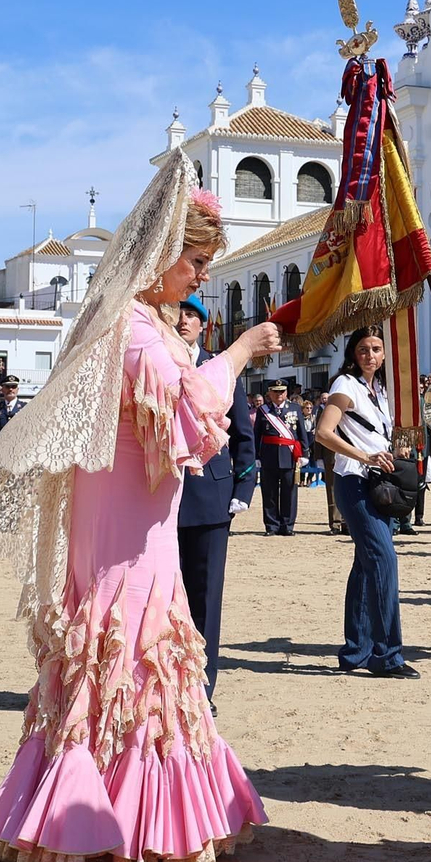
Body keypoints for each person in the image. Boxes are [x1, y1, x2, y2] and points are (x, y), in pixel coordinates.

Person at [0, 157, 276, 862]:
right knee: (132, 658)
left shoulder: (132, 324)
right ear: (163, 254)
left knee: (131, 661)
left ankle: (123, 807)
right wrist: (237, 353)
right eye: (196, 261)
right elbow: (191, 416)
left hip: (136, 525)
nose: (202, 275)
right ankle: (112, 818)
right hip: (128, 536)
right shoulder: (134, 332)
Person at [312, 324, 419, 679]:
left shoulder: (383, 391)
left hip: (378, 484)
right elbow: (324, 433)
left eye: (375, 348)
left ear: (385, 353)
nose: (370, 355)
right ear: (352, 354)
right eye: (363, 349)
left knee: (366, 565)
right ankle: (387, 656)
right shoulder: (345, 384)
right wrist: (365, 456)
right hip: (353, 481)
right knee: (383, 560)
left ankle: (356, 651)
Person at [174, 294, 257, 708]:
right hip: (163, 498)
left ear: (203, 325)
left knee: (205, 597)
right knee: (164, 596)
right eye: (179, 311)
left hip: (210, 497)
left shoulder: (219, 367)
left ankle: (202, 688)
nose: (184, 319)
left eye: (192, 314)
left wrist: (241, 491)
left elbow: (244, 437)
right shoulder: (159, 361)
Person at [255, 380, 304, 536]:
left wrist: (305, 454)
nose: (279, 395)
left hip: (289, 456)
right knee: (269, 493)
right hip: (268, 456)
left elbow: (301, 433)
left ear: (286, 392)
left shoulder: (295, 409)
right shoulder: (262, 411)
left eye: (282, 391)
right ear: (269, 393)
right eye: (275, 392)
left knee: (289, 492)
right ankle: (271, 525)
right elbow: (257, 435)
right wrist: (256, 455)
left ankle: (287, 525)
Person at [0, 376, 27, 448]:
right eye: (7, 387)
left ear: (17, 389)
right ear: (2, 389)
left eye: (13, 387)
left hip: (18, 447)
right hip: (0, 447)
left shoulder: (24, 407)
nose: (11, 389)